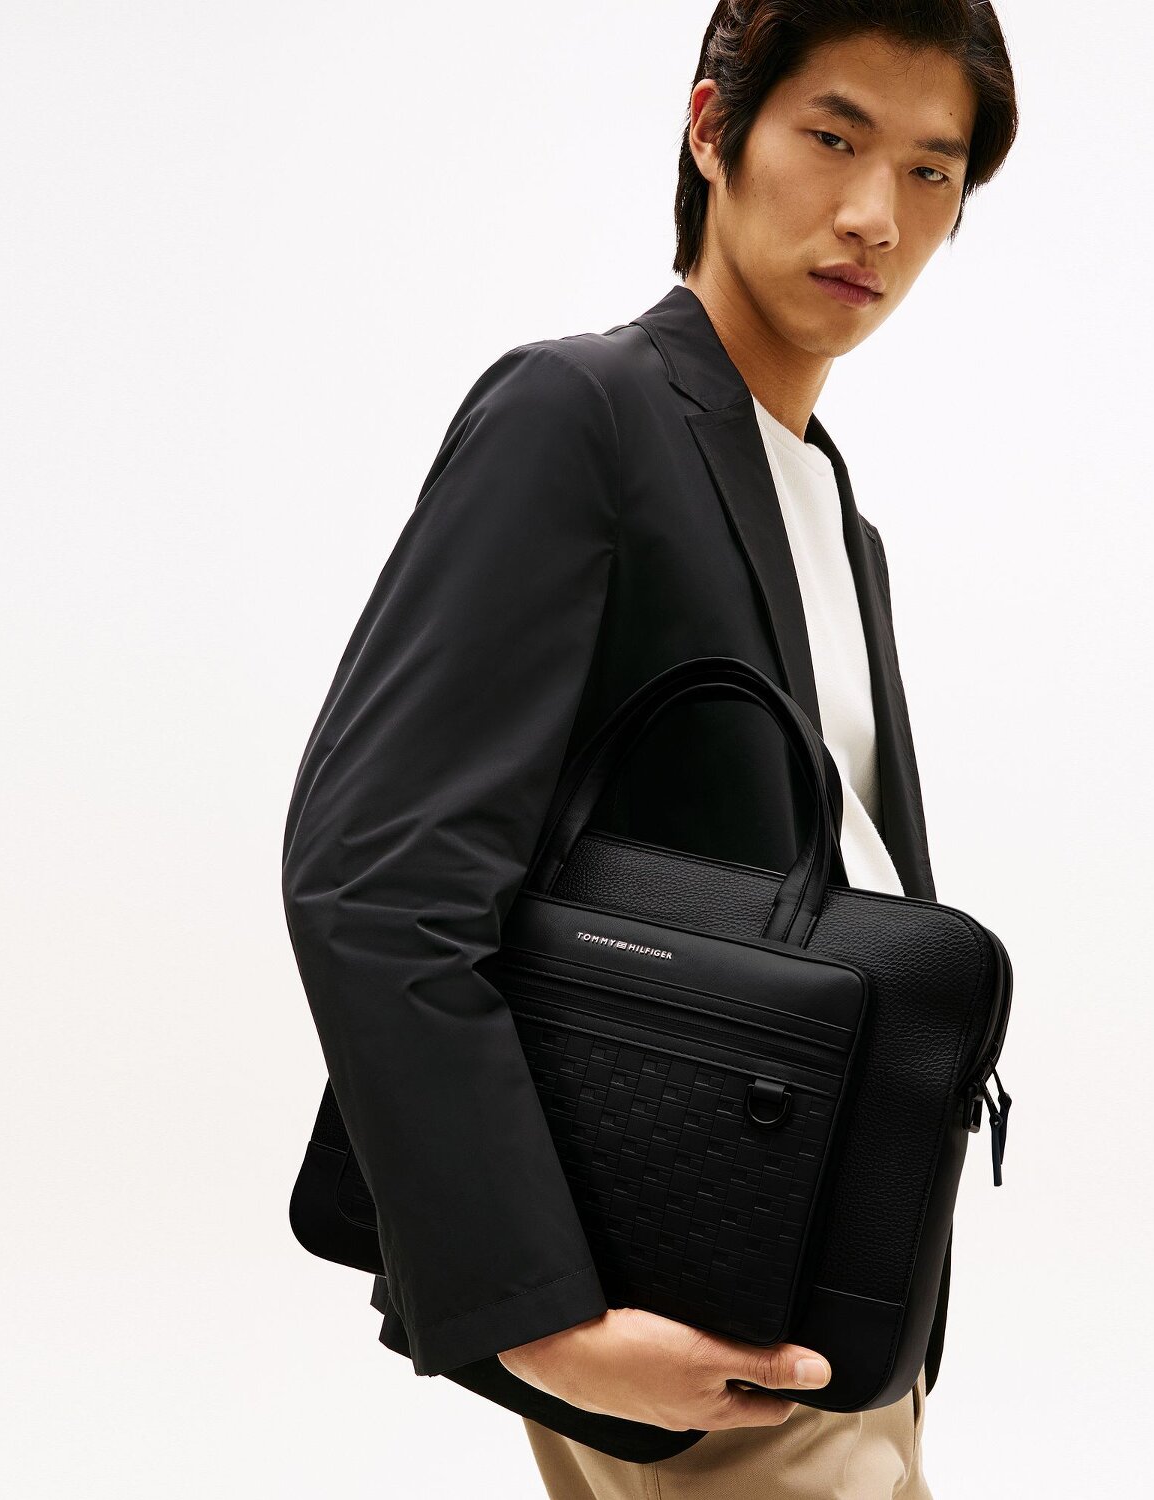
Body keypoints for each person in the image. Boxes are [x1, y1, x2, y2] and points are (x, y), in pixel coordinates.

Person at [280, 3, 1017, 1495]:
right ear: (712, 127)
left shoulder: (832, 511)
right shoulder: (584, 415)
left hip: (819, 1297)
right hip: (685, 1309)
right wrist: (541, 1317)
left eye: (931, 173)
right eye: (834, 137)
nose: (877, 217)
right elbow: (376, 876)